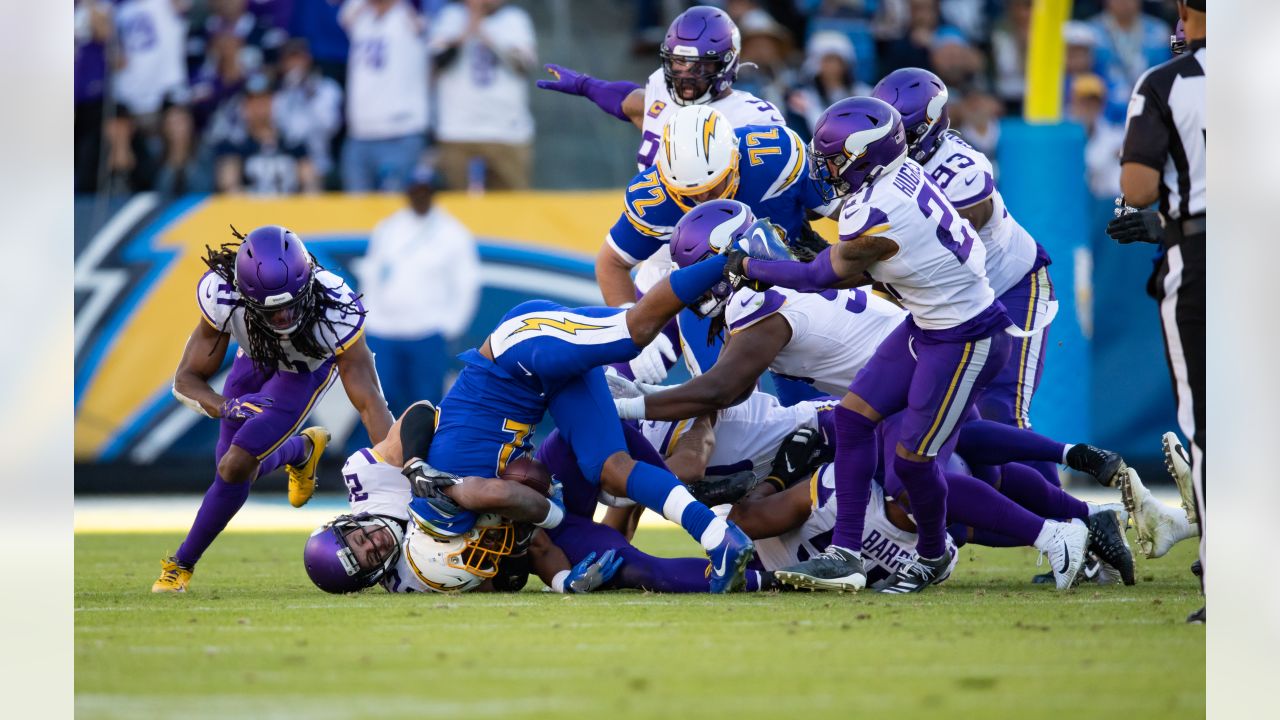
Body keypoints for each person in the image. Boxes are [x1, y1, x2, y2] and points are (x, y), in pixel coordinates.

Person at [726, 97, 1016, 594]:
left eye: (835, 158)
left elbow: (822, 274)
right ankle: (845, 553)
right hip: (931, 324)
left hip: (965, 336)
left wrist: (754, 268)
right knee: (854, 418)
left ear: (867, 155)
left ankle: (933, 553)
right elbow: (853, 269)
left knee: (912, 462)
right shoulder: (901, 175)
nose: (827, 168)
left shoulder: (878, 207)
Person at [407, 232, 758, 593]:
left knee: (633, 333)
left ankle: (740, 254)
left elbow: (504, 497)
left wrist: (552, 511)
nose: (488, 555)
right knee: (609, 467)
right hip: (542, 385)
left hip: (519, 350)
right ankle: (718, 536)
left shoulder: (445, 507)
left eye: (474, 558)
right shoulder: (467, 518)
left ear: (443, 543)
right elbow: (538, 544)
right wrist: (563, 583)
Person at [152, 226, 394, 593]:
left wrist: (395, 471)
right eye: (272, 311)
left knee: (233, 468)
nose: (284, 319)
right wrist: (224, 406)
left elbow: (369, 400)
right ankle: (302, 450)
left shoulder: (335, 307)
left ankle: (181, 565)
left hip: (303, 371)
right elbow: (186, 380)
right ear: (245, 297)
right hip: (253, 360)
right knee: (233, 470)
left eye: (291, 306)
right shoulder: (222, 293)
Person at [871, 68, 1058, 486]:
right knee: (933, 414)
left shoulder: (960, 167)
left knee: (1004, 412)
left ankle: (1076, 523)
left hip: (1010, 289)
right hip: (945, 310)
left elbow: (948, 244)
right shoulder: (877, 167)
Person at [598, 105, 837, 381]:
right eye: (693, 194)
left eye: (715, 185)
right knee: (622, 377)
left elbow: (844, 208)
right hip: (693, 287)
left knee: (804, 385)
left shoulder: (776, 157)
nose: (707, 199)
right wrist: (629, 318)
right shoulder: (654, 199)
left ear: (737, 160)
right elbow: (611, 262)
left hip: (785, 276)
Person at [1105, 0, 1205, 624]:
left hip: (1205, 258)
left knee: (1212, 422)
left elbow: (1139, 187)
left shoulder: (1169, 83)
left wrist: (1168, 218)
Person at [303, 401, 621, 595]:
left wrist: (414, 464)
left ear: (347, 523)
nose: (374, 543)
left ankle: (627, 470)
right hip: (522, 513)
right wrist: (553, 575)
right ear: (371, 577)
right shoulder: (412, 579)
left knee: (591, 433)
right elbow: (501, 581)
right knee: (625, 565)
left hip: (493, 452)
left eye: (359, 539)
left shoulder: (368, 480)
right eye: (370, 557)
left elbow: (422, 413)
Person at [357, 166, 481, 412]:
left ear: (434, 193)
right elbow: (371, 274)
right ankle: (375, 451)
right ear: (408, 192)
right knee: (379, 398)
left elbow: (467, 283)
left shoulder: (453, 232)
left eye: (426, 191)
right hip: (385, 330)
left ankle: (424, 452)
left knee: (426, 401)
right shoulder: (388, 228)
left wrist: (450, 325)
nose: (420, 196)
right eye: (416, 190)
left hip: (427, 331)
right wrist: (369, 318)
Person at [430, 0, 537, 191]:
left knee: (513, 210)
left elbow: (522, 66)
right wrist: (467, 29)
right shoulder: (451, 18)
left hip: (507, 133)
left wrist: (487, 35)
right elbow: (439, 61)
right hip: (458, 131)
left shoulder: (515, 20)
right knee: (459, 212)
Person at [339, 0, 430, 191]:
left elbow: (422, 24)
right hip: (359, 134)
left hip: (401, 132)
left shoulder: (407, 14)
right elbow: (344, 18)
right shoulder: (361, 17)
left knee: (395, 213)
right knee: (355, 214)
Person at [104, 0, 194, 193]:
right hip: (127, 97)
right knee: (117, 134)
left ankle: (175, 187)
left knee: (179, 126)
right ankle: (123, 190)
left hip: (166, 91)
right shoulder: (115, 9)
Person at [214, 74, 318, 194]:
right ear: (244, 106)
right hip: (249, 210)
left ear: (272, 102)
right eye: (253, 101)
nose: (259, 107)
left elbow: (311, 185)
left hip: (290, 209)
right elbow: (228, 186)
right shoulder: (234, 145)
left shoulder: (292, 144)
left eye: (264, 100)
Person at [273, 39, 344, 183]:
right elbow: (281, 131)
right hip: (285, 164)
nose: (295, 64)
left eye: (298, 58)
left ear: (308, 59)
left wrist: (309, 94)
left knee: (308, 170)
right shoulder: (280, 95)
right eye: (290, 59)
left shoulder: (327, 88)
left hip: (320, 164)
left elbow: (330, 126)